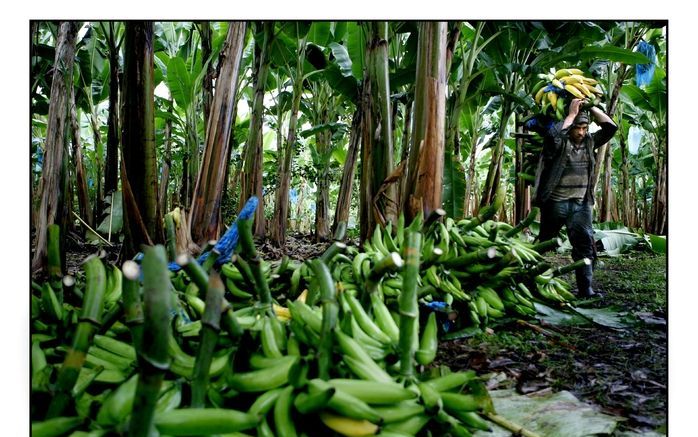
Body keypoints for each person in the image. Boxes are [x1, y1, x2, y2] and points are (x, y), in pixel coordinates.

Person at [532, 98, 618, 297]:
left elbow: (610, 128)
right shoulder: (559, 143)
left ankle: (585, 288)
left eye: (585, 127)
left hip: (581, 205)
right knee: (544, 242)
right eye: (577, 128)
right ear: (570, 127)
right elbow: (553, 137)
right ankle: (528, 280)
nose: (581, 132)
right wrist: (571, 114)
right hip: (556, 203)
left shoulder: (590, 141)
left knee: (585, 246)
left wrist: (591, 107)